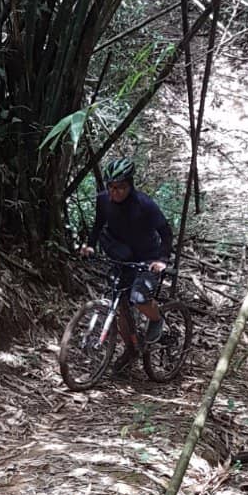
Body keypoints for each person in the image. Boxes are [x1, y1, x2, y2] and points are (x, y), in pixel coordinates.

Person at [81, 156, 172, 371]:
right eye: (111, 187)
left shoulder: (145, 205)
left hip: (147, 258)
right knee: (119, 305)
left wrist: (161, 260)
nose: (115, 192)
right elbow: (98, 225)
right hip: (122, 256)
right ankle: (131, 350)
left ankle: (157, 320)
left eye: (120, 187)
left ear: (130, 185)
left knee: (139, 297)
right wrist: (90, 245)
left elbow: (166, 233)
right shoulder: (103, 200)